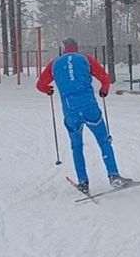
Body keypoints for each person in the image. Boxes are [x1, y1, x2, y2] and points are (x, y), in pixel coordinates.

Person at [36, 37, 129, 194]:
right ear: (76, 47)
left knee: (77, 146)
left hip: (70, 110)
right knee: (104, 141)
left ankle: (83, 182)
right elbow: (105, 78)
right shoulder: (85, 59)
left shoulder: (55, 64)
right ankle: (114, 175)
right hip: (89, 106)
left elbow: (40, 85)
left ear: (64, 48)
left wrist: (48, 90)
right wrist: (104, 90)